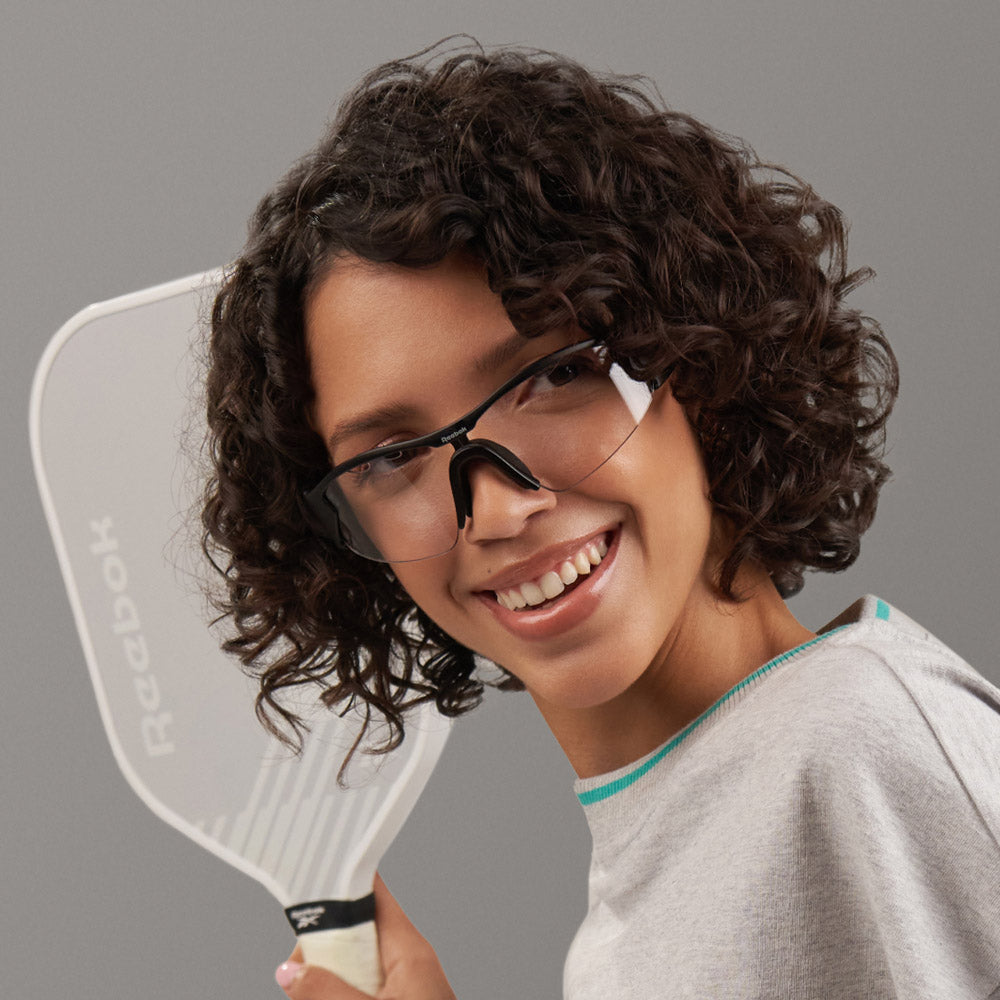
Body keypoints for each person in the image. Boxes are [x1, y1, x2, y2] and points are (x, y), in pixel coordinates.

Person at [201, 40, 1000, 1000]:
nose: (495, 507)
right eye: (395, 458)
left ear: (696, 361)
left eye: (553, 377)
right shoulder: (672, 851)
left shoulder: (846, 752)